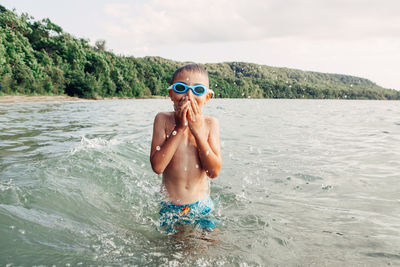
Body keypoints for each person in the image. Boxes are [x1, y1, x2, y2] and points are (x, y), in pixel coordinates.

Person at [150, 64, 222, 234]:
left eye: (198, 90)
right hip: (170, 207)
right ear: (171, 94)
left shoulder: (210, 124)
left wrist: (197, 132)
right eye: (181, 88)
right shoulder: (163, 120)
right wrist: (180, 129)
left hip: (202, 206)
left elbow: (214, 171)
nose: (189, 95)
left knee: (210, 245)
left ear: (207, 97)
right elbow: (157, 167)